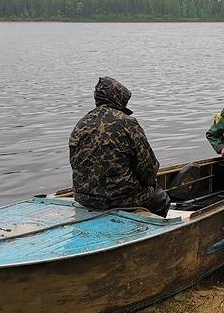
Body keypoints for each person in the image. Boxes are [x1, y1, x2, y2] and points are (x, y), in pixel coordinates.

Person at [69, 76, 170, 217]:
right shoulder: (127, 122)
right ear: (118, 97)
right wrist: (149, 185)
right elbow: (148, 168)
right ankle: (155, 232)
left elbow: (74, 163)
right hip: (119, 200)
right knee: (161, 199)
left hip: (84, 198)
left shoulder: (81, 124)